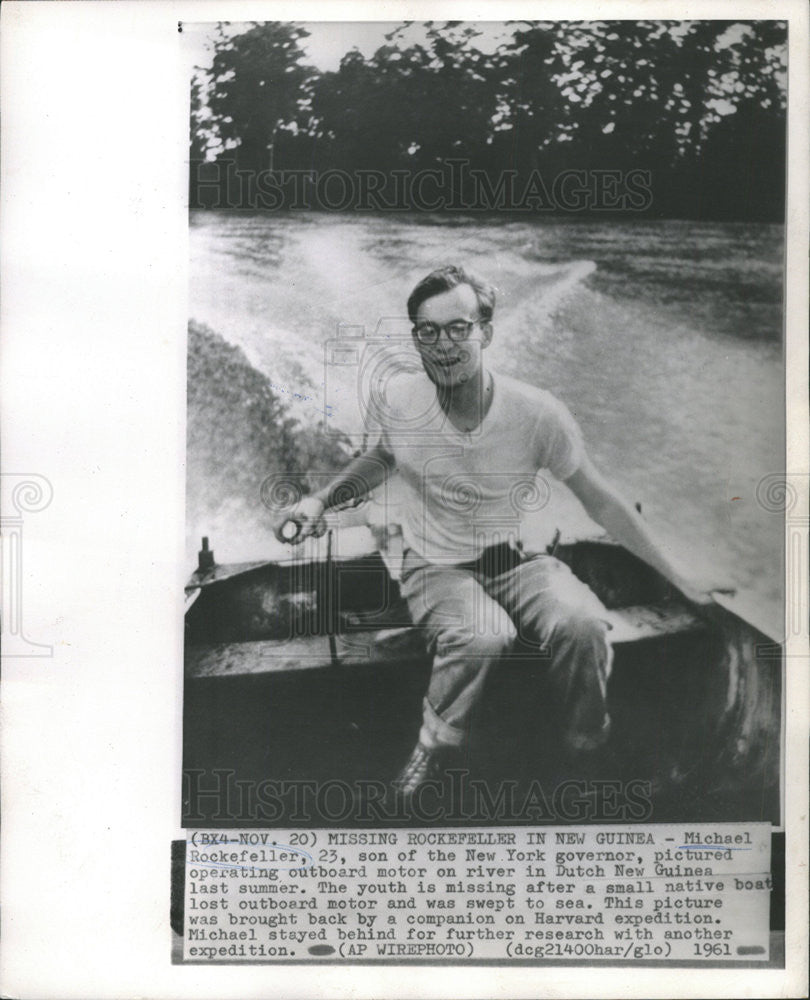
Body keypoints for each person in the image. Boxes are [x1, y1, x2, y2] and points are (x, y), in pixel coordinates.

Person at [274, 265, 728, 800]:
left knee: (583, 624)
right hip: (435, 567)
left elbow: (602, 500)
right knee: (485, 633)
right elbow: (379, 459)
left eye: (458, 328)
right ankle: (433, 746)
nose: (444, 345)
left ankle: (586, 744)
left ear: (484, 332)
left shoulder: (537, 414)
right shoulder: (398, 397)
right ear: (415, 338)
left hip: (517, 560)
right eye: (428, 331)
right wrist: (320, 499)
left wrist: (679, 577)